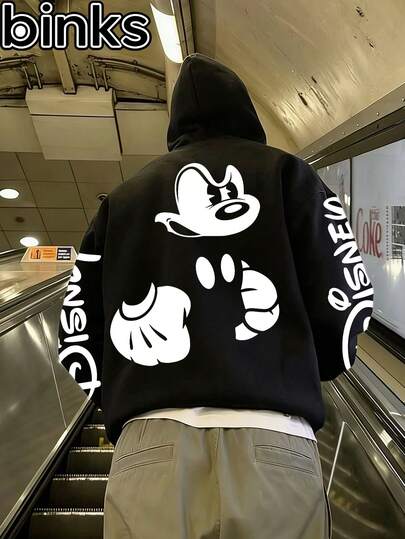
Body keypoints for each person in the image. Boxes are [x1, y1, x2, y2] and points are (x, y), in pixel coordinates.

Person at [58, 53, 374, 539]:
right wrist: (299, 363)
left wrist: (130, 390)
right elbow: (348, 302)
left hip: (149, 449)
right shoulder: (290, 177)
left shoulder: (121, 201)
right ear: (247, 112)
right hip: (275, 438)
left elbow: (77, 333)